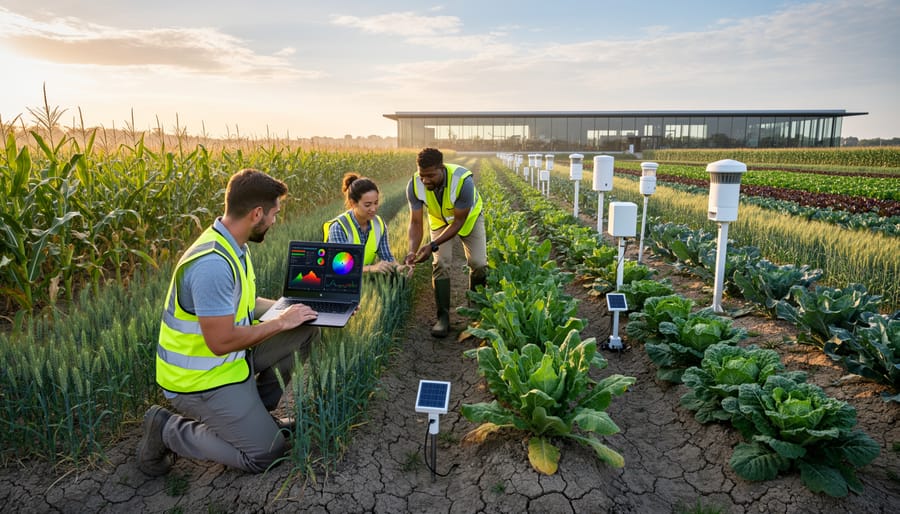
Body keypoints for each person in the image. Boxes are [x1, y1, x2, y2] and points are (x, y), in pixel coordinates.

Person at [137, 168, 321, 476]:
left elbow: (244, 307)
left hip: (229, 364)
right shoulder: (212, 264)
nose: (275, 221)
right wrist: (280, 322)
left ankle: (256, 417)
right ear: (257, 213)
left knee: (306, 330)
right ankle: (166, 429)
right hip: (199, 380)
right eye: (274, 214)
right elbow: (220, 342)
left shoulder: (234, 246)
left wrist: (297, 310)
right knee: (267, 454)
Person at [404, 148, 487, 338]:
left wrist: (432, 245)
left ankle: (475, 316)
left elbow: (458, 223)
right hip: (440, 222)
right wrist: (411, 251)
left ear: (441, 168)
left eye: (431, 175)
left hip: (469, 219)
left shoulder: (463, 181)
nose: (425, 180)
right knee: (441, 263)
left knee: (479, 263)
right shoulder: (414, 185)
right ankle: (442, 318)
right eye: (422, 175)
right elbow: (415, 222)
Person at [323, 172, 403, 274]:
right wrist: (371, 268)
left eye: (376, 203)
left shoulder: (379, 224)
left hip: (362, 283)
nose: (373, 209)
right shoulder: (339, 227)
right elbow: (339, 267)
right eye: (367, 205)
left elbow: (387, 257)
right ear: (353, 203)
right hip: (338, 285)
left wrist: (400, 268)